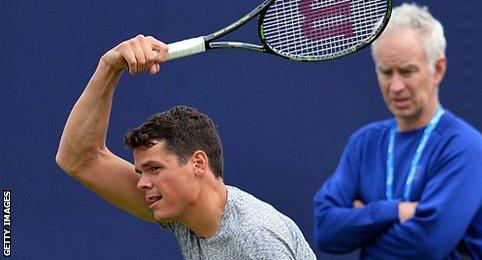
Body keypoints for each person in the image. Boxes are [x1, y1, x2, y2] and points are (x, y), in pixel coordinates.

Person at [55, 35, 315, 260]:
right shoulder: (182, 212)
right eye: (141, 172)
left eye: (154, 168)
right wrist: (109, 66)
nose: (141, 183)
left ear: (198, 164)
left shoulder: (255, 240)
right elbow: (79, 159)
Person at [313, 3, 482, 259]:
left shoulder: (465, 147)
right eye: (385, 72)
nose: (395, 86)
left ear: (438, 69)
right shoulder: (364, 143)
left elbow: (427, 246)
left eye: (407, 71)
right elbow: (326, 230)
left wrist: (361, 221)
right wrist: (397, 211)